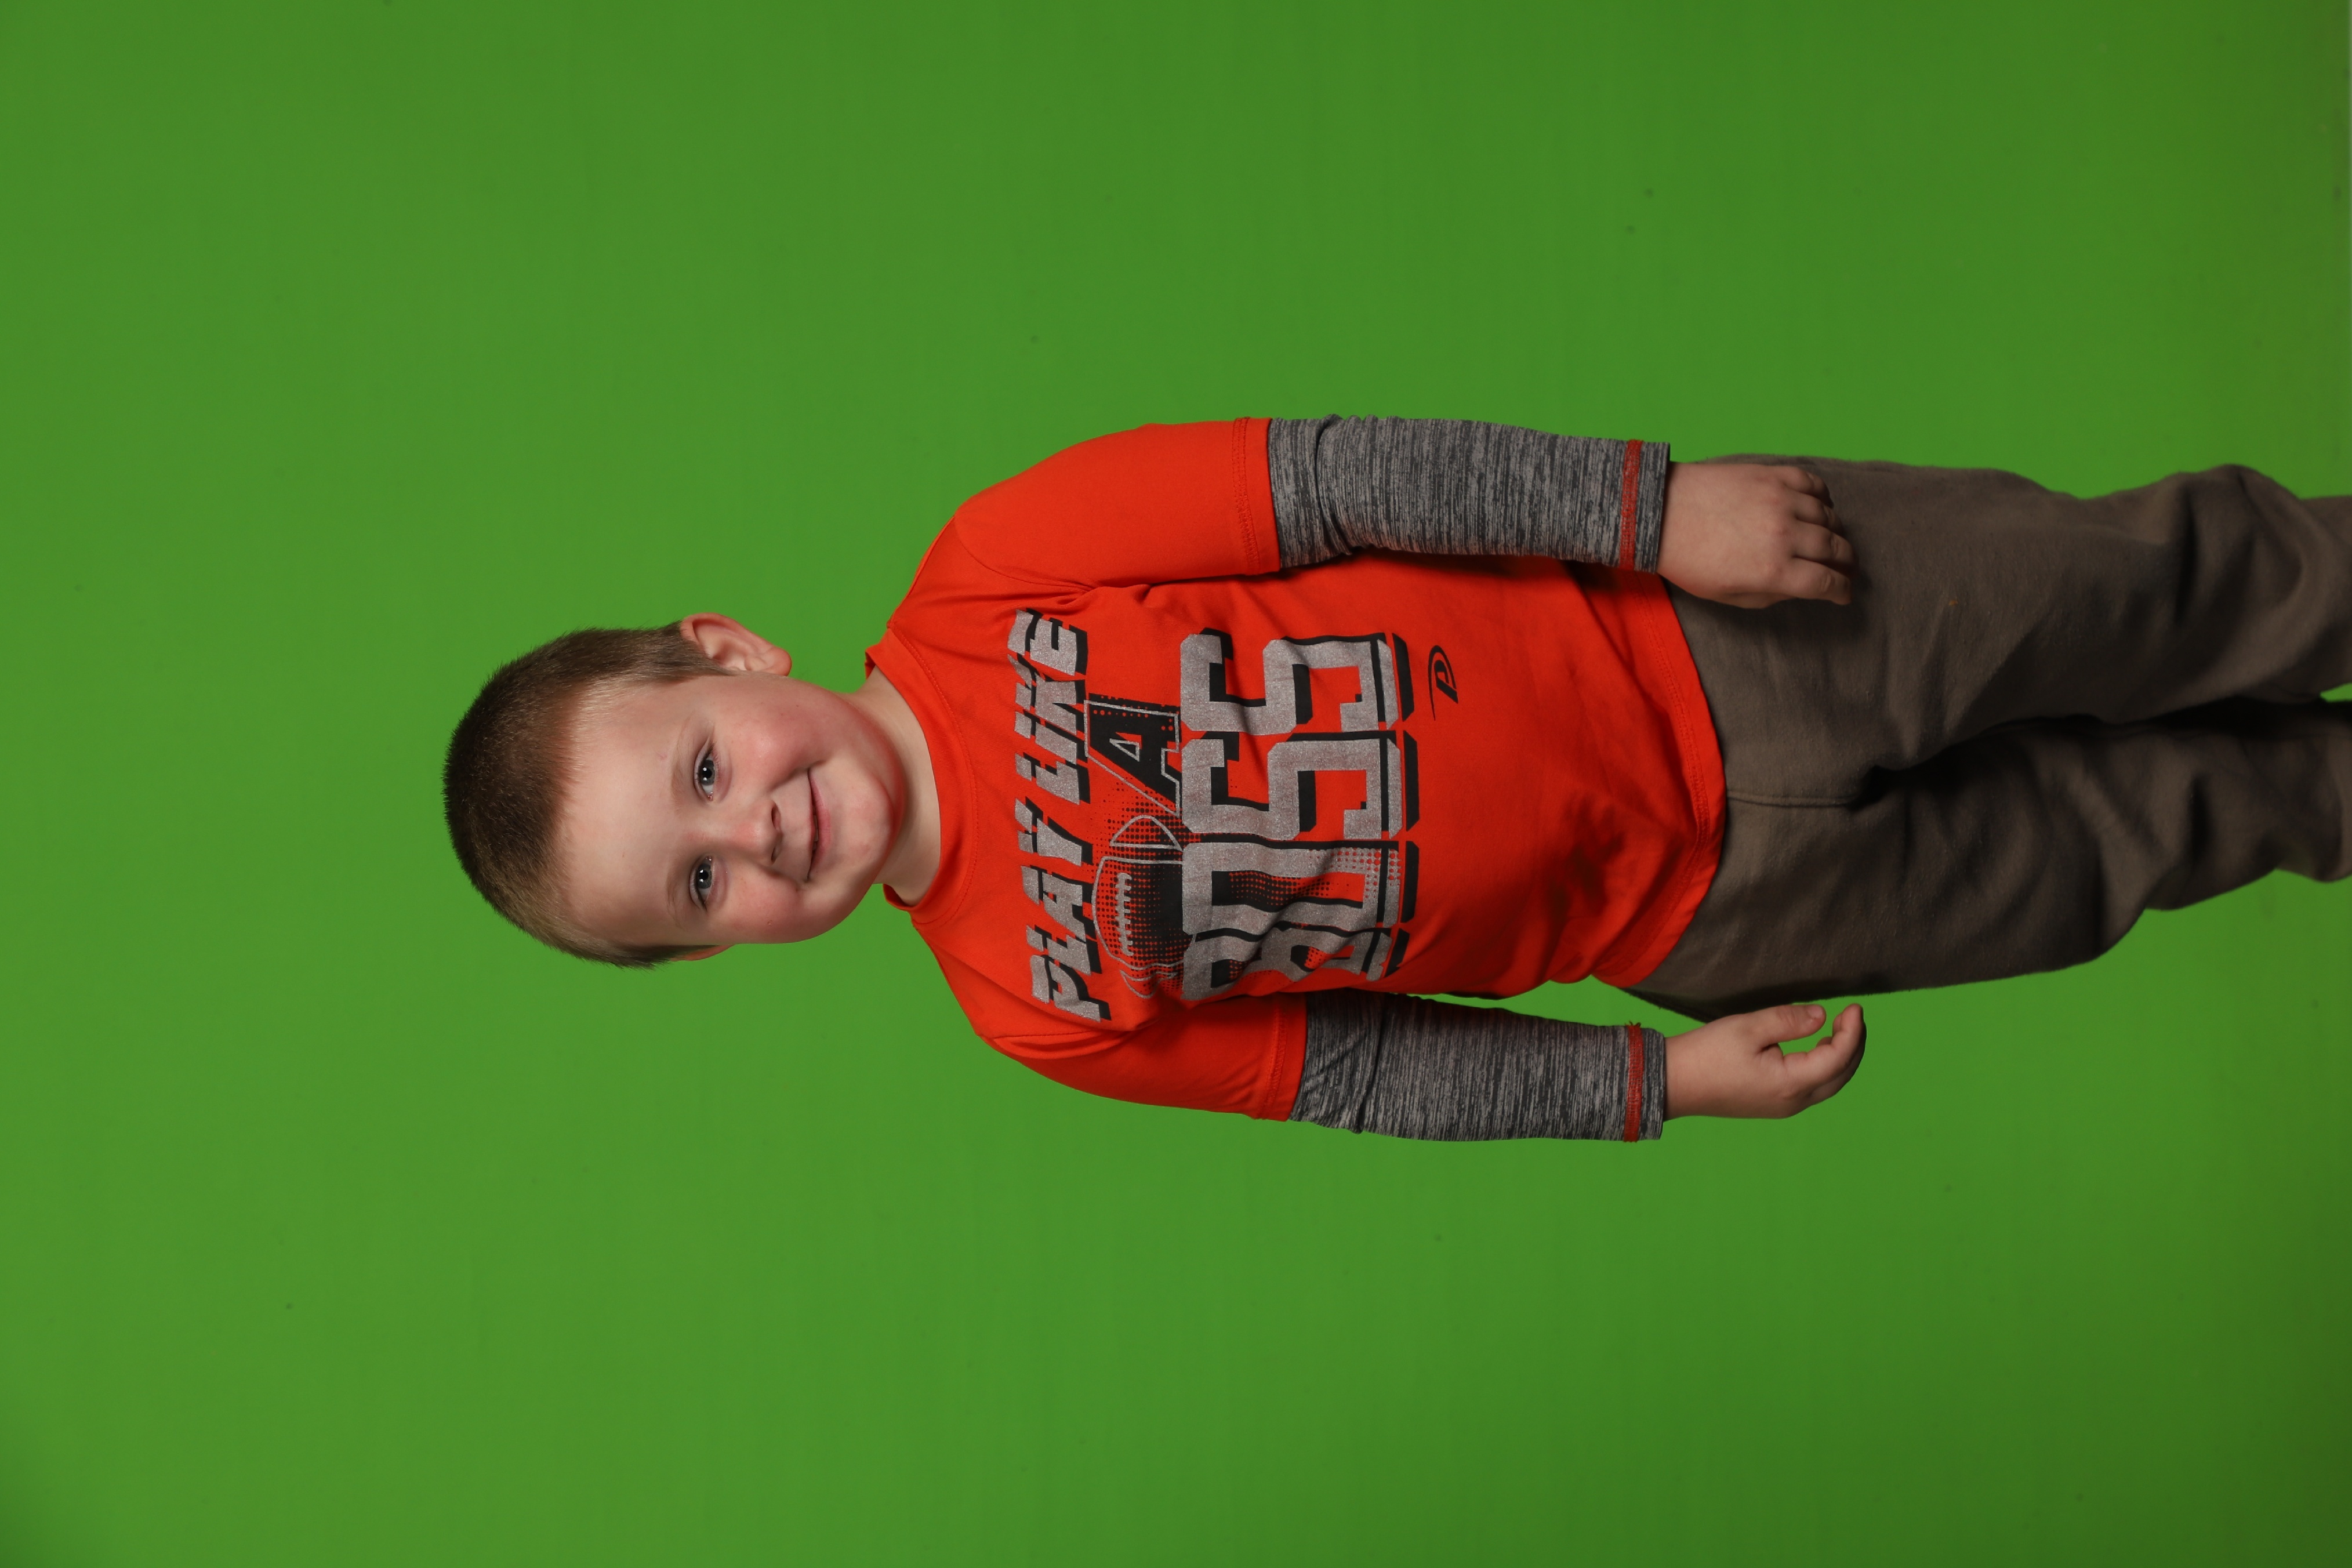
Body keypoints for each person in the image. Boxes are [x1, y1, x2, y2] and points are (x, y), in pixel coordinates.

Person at [441, 419, 2352, 1142]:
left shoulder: (998, 565)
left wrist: (1652, 513)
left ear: (729, 653)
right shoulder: (1034, 1007)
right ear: (719, 951)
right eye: (699, 880)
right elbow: (1363, 1069)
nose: (755, 825)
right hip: (1718, 919)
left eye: (705, 768)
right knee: (2152, 835)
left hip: (1723, 634)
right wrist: (1651, 1084)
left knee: (2158, 591)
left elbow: (1339, 480)